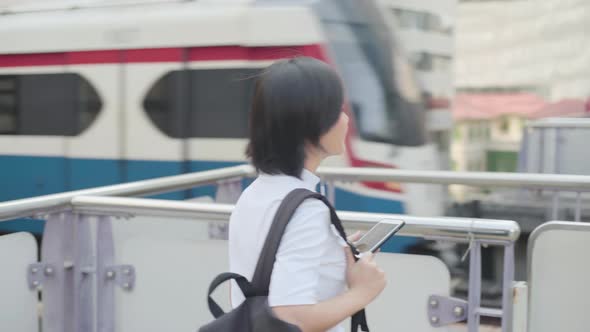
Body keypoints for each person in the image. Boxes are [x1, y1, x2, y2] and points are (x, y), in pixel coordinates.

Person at [228, 57, 386, 332]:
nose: (346, 119)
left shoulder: (256, 193)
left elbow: (270, 258)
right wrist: (364, 291)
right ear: (311, 123)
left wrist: (331, 252)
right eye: (337, 110)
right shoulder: (306, 210)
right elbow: (290, 316)